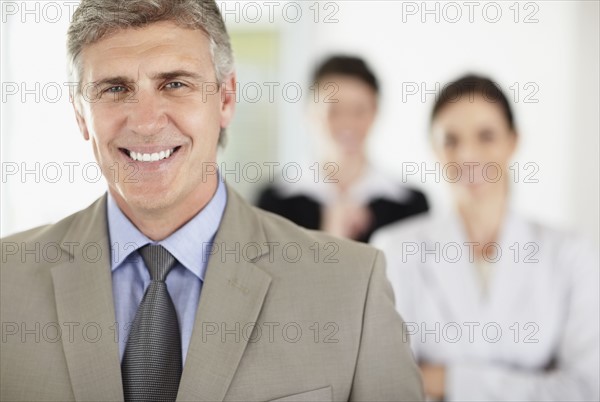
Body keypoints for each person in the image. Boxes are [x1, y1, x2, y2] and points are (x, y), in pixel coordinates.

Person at [0, 1, 424, 401]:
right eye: (115, 88)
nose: (146, 122)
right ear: (80, 115)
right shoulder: (8, 283)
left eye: (175, 84)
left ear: (225, 98)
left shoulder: (351, 288)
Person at [371, 75, 600, 401]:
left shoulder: (571, 255)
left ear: (513, 141)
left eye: (486, 135)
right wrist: (534, 383)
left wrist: (445, 379)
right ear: (434, 150)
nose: (467, 155)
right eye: (451, 139)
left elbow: (586, 390)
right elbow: (386, 384)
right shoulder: (395, 249)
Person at [257, 55, 428, 242]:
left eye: (359, 110)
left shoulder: (410, 204)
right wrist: (330, 235)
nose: (347, 123)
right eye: (334, 110)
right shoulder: (274, 202)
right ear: (309, 111)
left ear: (375, 113)